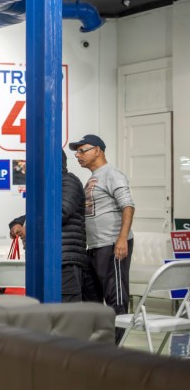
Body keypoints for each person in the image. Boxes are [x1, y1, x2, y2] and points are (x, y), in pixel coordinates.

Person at [69, 133, 135, 334]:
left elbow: (128, 206)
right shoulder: (92, 179)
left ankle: (117, 351)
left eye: (82, 151)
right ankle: (99, 346)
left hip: (112, 244)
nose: (78, 155)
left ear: (97, 150)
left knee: (116, 299)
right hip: (94, 247)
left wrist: (121, 239)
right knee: (92, 299)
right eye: (77, 152)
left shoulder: (112, 174)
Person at [8, 150, 89, 302]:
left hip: (64, 261)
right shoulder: (48, 186)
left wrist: (30, 229)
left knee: (66, 314)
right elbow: (36, 214)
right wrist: (18, 224)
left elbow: (59, 213)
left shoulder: (68, 181)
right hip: (49, 259)